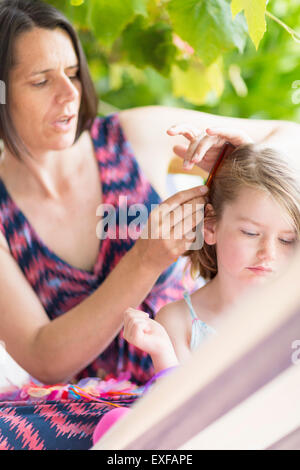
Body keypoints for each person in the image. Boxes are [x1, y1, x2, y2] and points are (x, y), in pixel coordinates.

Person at [0, 0, 299, 449]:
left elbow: (289, 134)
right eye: (41, 81)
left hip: (185, 373)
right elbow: (45, 357)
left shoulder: (134, 135)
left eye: (73, 73)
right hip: (95, 408)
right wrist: (145, 259)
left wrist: (244, 147)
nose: (68, 94)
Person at [124, 143, 300, 374]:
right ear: (210, 226)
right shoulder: (179, 321)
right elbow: (182, 407)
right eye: (250, 233)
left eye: (287, 240)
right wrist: (162, 354)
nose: (269, 253)